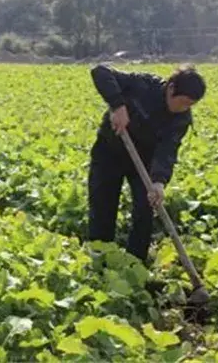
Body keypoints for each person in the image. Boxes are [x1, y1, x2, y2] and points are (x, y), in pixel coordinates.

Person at [87, 63, 206, 264]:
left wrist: (159, 181)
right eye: (183, 102)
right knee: (102, 206)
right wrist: (117, 105)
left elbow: (168, 151)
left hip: (144, 161)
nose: (185, 108)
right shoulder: (143, 85)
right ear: (171, 89)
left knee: (145, 209)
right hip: (110, 151)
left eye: (190, 105)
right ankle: (100, 259)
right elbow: (100, 71)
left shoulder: (181, 120)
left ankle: (136, 264)